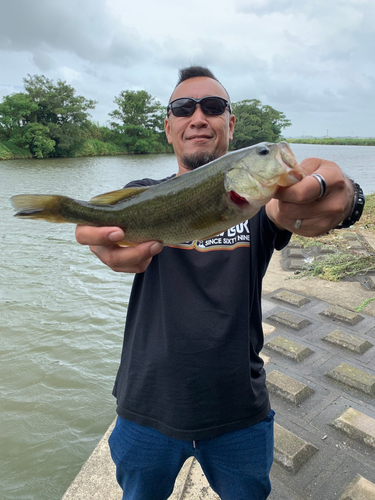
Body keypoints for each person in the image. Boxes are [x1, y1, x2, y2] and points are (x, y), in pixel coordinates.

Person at [75, 66, 363, 500]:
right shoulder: (143, 193)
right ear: (168, 128)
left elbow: (309, 209)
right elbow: (104, 226)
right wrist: (90, 230)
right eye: (182, 108)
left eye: (213, 107)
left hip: (239, 414)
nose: (198, 117)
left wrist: (350, 200)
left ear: (230, 125)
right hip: (145, 409)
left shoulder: (261, 206)